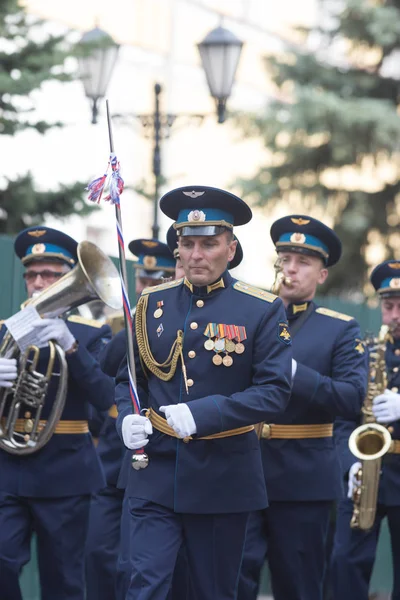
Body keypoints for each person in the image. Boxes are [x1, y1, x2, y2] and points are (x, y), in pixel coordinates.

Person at [115, 185, 293, 600]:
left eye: (208, 244)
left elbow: (274, 392)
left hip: (222, 476)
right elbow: (130, 376)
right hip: (153, 470)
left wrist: (204, 414)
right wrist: (127, 413)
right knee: (145, 585)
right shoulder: (151, 303)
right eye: (187, 243)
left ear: (230, 249)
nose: (196, 254)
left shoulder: (261, 309)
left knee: (212, 591)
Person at [238, 215, 368, 600]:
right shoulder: (248, 318)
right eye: (285, 259)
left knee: (298, 586)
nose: (291, 269)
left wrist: (293, 373)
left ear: (322, 275)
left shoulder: (340, 329)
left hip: (302, 480)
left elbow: (350, 398)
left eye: (303, 262)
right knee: (231, 582)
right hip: (242, 470)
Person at [0, 226, 114, 600]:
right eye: (32, 274)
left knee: (64, 581)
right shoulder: (3, 332)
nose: (38, 283)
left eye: (49, 274)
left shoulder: (92, 335)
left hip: (66, 473)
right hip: (7, 470)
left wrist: (71, 347)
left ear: (67, 279)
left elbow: (105, 397)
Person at [85, 238, 175, 600]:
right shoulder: (118, 323)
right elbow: (106, 369)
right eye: (143, 280)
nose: (147, 287)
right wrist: (137, 321)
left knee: (133, 565)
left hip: (154, 453)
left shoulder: (177, 323)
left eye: (158, 280)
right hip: (113, 452)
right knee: (96, 553)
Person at [331, 260, 400, 600]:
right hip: (367, 474)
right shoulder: (365, 355)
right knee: (345, 565)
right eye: (389, 306)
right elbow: (343, 419)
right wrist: (351, 464)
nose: (395, 316)